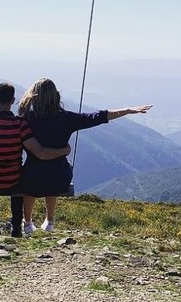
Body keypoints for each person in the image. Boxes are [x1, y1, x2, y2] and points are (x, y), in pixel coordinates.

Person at [17, 77, 152, 233]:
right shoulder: (67, 118)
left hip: (32, 177)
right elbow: (98, 116)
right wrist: (127, 110)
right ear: (56, 96)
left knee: (32, 176)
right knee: (54, 171)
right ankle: (50, 221)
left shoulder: (26, 119)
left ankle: (27, 222)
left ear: (34, 96)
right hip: (59, 178)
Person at [0, 82, 71, 238]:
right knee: (18, 180)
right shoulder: (20, 124)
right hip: (12, 179)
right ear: (12, 101)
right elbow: (38, 151)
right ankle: (16, 226)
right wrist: (64, 150)